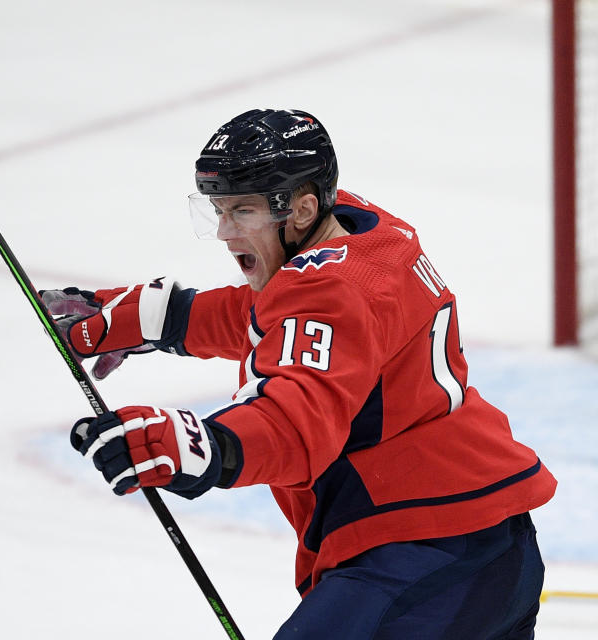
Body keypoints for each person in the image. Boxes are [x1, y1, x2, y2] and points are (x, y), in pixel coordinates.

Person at [40, 109, 556, 639]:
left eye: (243, 210)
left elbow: (296, 423)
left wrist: (202, 446)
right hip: (490, 539)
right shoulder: (367, 234)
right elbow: (289, 321)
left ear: (304, 208)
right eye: (217, 210)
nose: (224, 231)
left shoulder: (330, 292)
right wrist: (165, 319)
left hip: (418, 556)